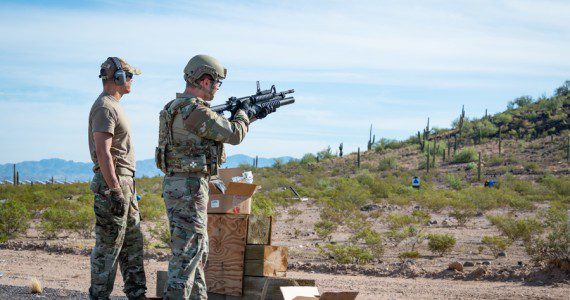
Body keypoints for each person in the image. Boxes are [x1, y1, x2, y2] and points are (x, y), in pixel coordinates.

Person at [155, 54, 274, 299]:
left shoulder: (173, 108)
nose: (218, 88)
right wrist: (245, 114)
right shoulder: (196, 111)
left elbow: (211, 130)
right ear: (205, 80)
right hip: (189, 187)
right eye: (217, 82)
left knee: (197, 252)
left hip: (180, 184)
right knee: (188, 255)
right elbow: (233, 134)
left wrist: (247, 113)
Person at [88, 57, 147, 300]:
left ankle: (137, 294)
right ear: (119, 78)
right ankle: (99, 296)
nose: (132, 81)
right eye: (130, 76)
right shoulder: (105, 107)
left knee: (133, 242)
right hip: (113, 184)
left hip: (125, 183)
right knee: (109, 247)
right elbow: (103, 152)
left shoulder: (114, 105)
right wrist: (114, 190)